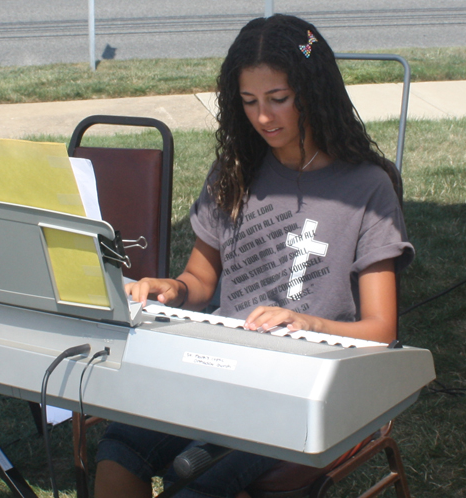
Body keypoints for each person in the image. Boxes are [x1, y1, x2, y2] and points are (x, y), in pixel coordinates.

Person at [95, 14, 414, 498]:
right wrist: (173, 289)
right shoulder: (237, 170)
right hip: (222, 366)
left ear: (313, 91)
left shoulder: (366, 187)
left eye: (278, 99)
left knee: (205, 482)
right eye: (249, 102)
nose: (263, 117)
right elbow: (201, 280)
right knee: (120, 449)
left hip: (308, 386)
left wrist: (310, 323)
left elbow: (381, 329)